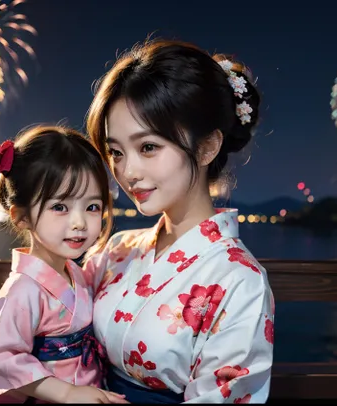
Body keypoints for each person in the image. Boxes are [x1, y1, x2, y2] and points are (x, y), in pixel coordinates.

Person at [83, 39, 275, 403]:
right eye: (116, 152)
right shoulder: (118, 249)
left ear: (207, 147)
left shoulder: (240, 280)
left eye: (148, 147)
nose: (127, 172)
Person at [0, 125, 128, 404]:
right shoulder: (23, 289)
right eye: (60, 207)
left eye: (92, 207)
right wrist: (66, 392)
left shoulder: (76, 274)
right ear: (22, 216)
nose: (79, 222)